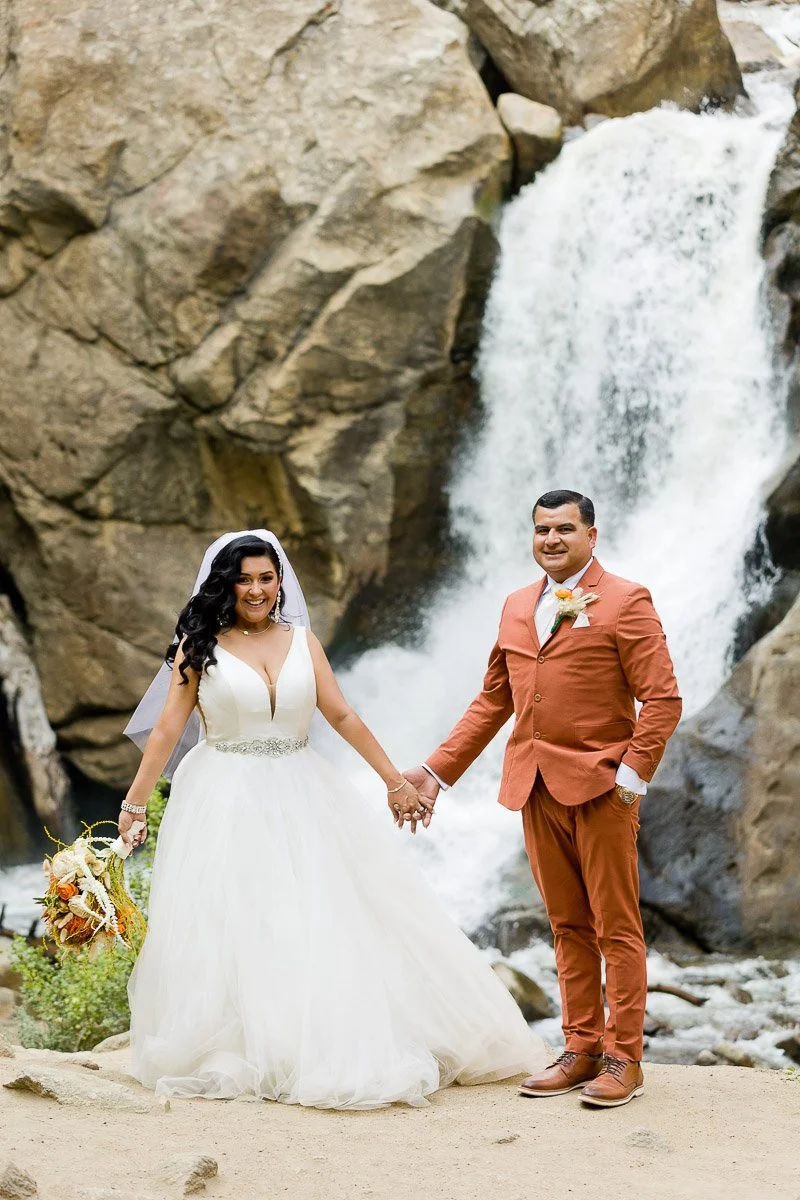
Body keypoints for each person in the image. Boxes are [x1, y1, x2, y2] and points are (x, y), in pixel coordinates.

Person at [120, 529, 545, 1108]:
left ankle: (309, 1042)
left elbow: (342, 715)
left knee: (315, 915)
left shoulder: (303, 643)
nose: (256, 589)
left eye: (266, 578)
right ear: (226, 583)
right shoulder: (198, 647)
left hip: (302, 789)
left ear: (280, 583)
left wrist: (395, 782)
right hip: (222, 794)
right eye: (244, 578)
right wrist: (134, 804)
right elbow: (169, 727)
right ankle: (241, 1046)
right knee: (238, 919)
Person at [405, 491, 682, 1108]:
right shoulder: (513, 605)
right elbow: (493, 700)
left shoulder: (626, 599)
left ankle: (624, 1059)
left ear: (592, 535)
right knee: (565, 925)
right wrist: (435, 770)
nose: (551, 539)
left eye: (563, 529)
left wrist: (630, 780)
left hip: (603, 787)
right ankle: (580, 1047)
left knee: (617, 927)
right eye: (541, 530)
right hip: (533, 786)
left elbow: (662, 699)